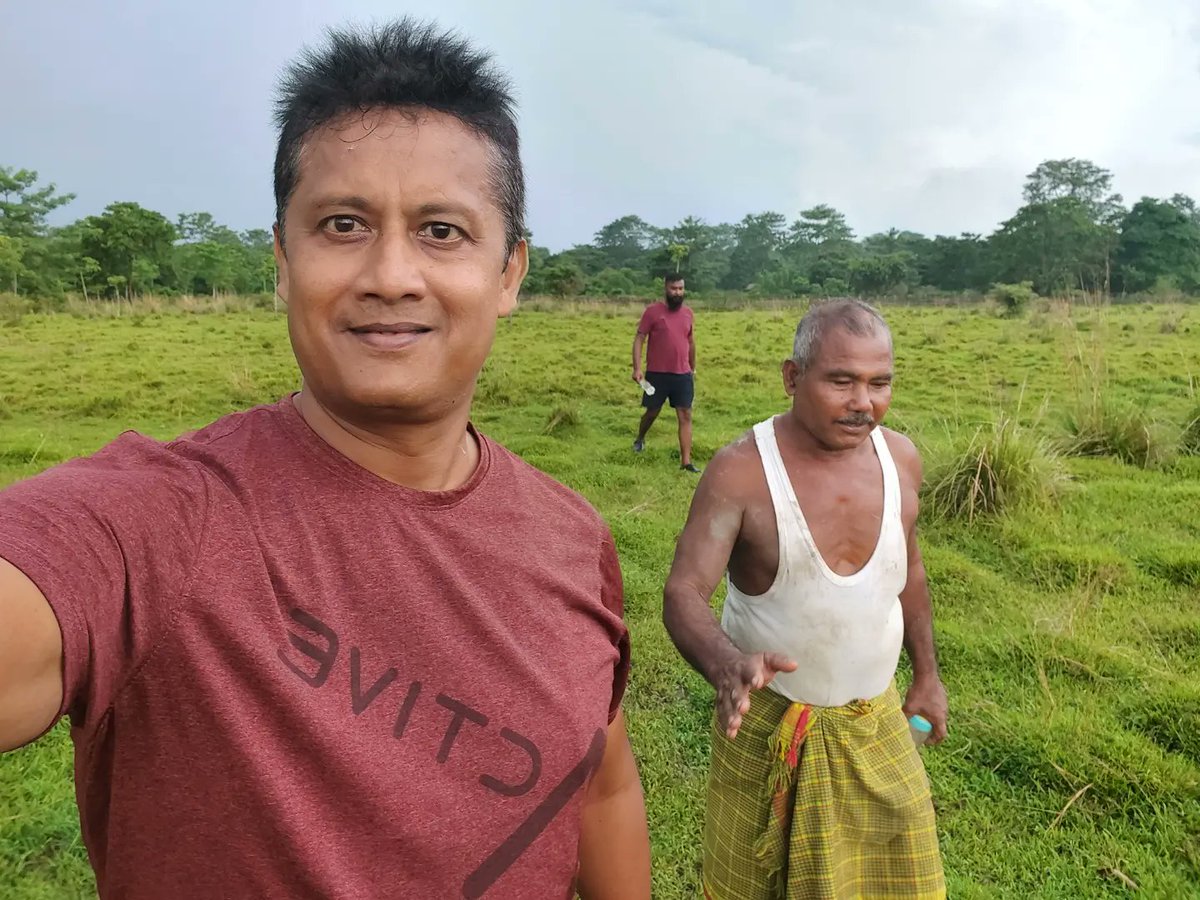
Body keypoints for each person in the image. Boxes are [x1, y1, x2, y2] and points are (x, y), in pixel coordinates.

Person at [0, 20, 651, 900]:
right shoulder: (162, 520)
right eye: (342, 224)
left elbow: (601, 779)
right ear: (281, 261)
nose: (391, 273)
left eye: (442, 231)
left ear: (510, 272)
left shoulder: (572, 537)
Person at [662, 299, 947, 899]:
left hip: (877, 719)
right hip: (769, 723)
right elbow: (684, 590)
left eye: (879, 383)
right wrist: (725, 663)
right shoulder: (741, 472)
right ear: (793, 377)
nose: (862, 403)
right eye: (840, 381)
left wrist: (926, 674)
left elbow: (909, 572)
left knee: (897, 880)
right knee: (752, 883)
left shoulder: (901, 460)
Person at [632, 273, 699, 472]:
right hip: (657, 374)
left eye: (680, 288)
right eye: (673, 288)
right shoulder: (653, 312)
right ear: (666, 289)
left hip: (682, 374)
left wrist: (692, 367)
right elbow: (639, 338)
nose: (677, 292)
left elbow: (691, 341)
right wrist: (637, 368)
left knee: (685, 414)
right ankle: (640, 438)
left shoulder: (688, 313)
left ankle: (686, 462)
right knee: (652, 411)